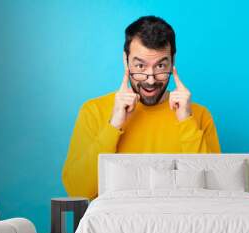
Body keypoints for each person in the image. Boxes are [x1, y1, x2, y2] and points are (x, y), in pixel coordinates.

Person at [62, 15, 221, 200]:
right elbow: (77, 191)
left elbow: (214, 195)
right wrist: (113, 125)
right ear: (125, 60)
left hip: (182, 223)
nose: (150, 79)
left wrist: (186, 121)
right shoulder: (93, 111)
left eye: (161, 65)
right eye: (140, 66)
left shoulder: (199, 115)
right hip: (117, 224)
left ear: (173, 60)